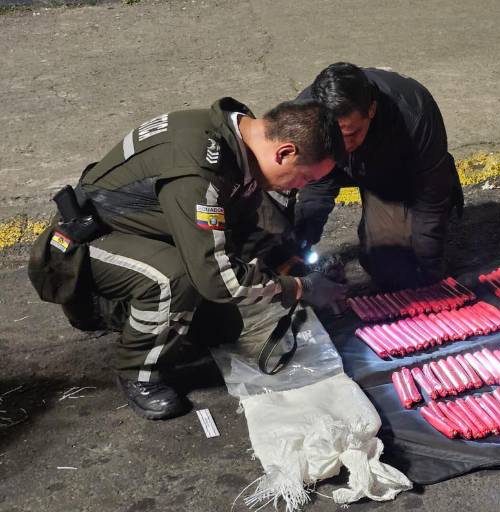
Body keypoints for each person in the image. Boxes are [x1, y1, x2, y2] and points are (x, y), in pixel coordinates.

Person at [28, 97, 347, 420]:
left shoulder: (239, 136)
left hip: (142, 231)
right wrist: (299, 288)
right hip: (85, 247)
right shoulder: (199, 171)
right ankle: (137, 369)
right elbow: (218, 280)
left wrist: (288, 265)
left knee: (223, 325)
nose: (301, 187)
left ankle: (147, 314)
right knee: (175, 280)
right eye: (305, 178)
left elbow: (241, 221)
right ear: (285, 153)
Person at [294, 62, 464, 290]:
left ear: (371, 110)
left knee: (394, 271)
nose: (344, 145)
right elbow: (316, 187)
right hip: (344, 167)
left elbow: (431, 195)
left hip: (396, 171)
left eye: (352, 133)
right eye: (335, 136)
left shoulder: (414, 114)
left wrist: (429, 264)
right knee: (290, 231)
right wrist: (299, 248)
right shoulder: (306, 116)